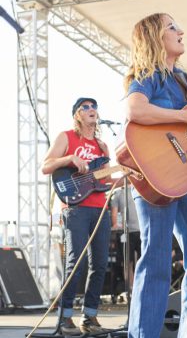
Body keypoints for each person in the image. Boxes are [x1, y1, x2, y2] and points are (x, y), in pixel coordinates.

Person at [123, 13, 187, 338]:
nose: (182, 31)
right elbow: (135, 110)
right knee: (157, 257)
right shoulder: (148, 75)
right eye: (172, 27)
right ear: (154, 37)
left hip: (183, 178)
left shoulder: (182, 78)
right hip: (154, 178)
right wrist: (180, 114)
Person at [41, 97, 120, 335]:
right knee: (76, 262)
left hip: (100, 209)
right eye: (85, 107)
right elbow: (46, 166)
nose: (91, 109)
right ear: (77, 114)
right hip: (75, 208)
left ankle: (90, 316)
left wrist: (126, 178)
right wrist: (69, 159)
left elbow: (105, 182)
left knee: (100, 263)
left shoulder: (103, 146)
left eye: (94, 106)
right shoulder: (67, 137)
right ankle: (64, 318)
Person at [110, 185, 141, 291]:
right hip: (138, 230)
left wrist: (115, 224)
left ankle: (132, 289)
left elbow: (114, 215)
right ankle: (137, 287)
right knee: (137, 261)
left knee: (128, 262)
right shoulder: (139, 189)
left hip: (128, 232)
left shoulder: (118, 194)